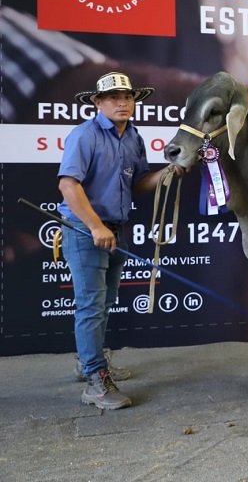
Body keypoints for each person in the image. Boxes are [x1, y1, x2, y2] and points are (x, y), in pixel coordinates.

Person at [59, 72, 186, 409]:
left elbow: (139, 182)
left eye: (127, 97)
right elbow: (69, 186)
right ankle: (95, 382)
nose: (122, 103)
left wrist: (167, 173)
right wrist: (96, 226)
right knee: (91, 305)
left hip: (115, 230)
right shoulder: (84, 135)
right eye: (113, 97)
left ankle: (88, 361)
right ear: (97, 103)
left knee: (102, 303)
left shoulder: (133, 137)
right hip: (85, 231)